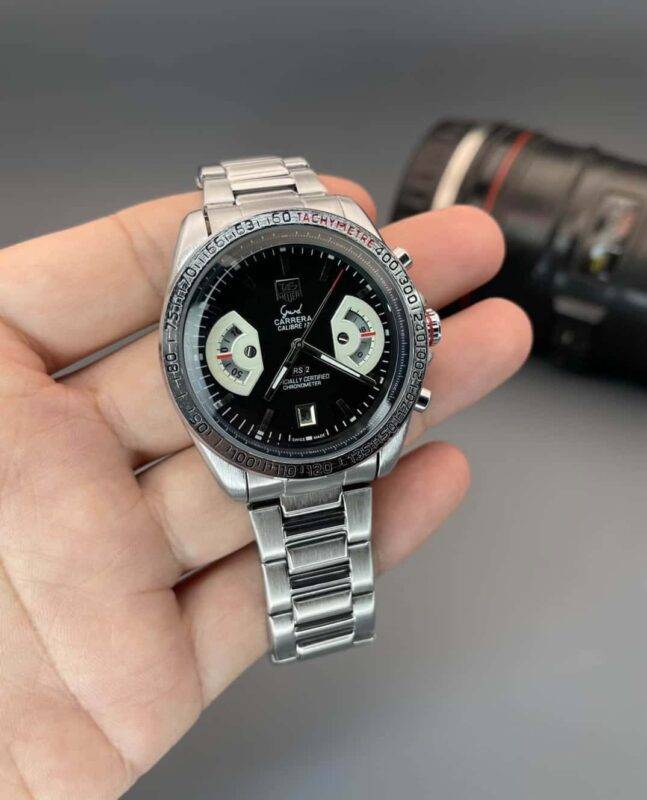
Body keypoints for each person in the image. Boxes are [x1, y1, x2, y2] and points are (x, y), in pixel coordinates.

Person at [0, 174, 531, 799]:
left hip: (342, 435)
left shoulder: (380, 323)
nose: (298, 346)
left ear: (421, 328)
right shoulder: (204, 331)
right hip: (271, 439)